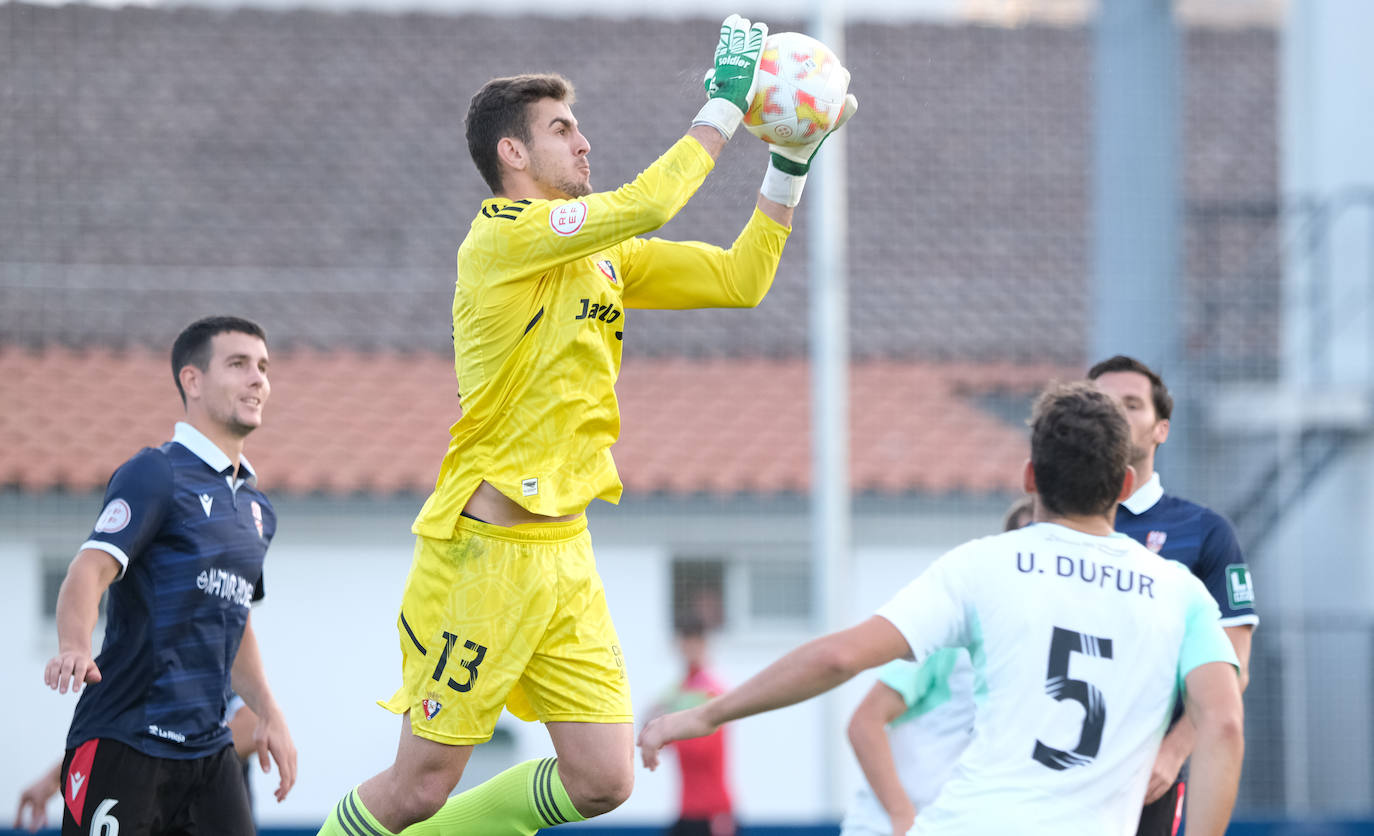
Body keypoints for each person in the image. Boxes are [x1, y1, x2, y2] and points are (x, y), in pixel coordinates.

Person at [316, 13, 857, 836]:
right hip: (484, 557)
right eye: (563, 129)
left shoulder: (598, 254)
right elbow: (650, 201)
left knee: (605, 780)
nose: (584, 143)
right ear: (513, 154)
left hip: (565, 553)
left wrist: (789, 160)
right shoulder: (500, 241)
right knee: (418, 786)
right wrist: (723, 102)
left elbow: (741, 279)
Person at [640, 382, 1245, 836]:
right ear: (1125, 486)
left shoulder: (983, 565)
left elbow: (838, 657)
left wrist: (707, 715)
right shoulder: (1178, 591)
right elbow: (1223, 725)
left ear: (1030, 476)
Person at [43, 315, 297, 836]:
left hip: (209, 753)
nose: (258, 379)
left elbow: (235, 616)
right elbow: (89, 569)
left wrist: (269, 711)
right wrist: (74, 644)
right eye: (239, 364)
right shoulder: (156, 473)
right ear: (193, 380)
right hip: (126, 739)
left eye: (264, 367)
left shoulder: (257, 509)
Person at [1087, 355, 1259, 836]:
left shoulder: (1204, 532)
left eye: (1131, 405)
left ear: (1161, 429)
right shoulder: (1052, 528)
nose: (1115, 415)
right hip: (1056, 770)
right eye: (1101, 404)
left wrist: (1173, 751)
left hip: (1148, 779)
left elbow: (1235, 664)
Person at [839, 497, 1035, 836]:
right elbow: (864, 723)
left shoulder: (1039, 650)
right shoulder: (958, 638)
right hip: (887, 827)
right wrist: (903, 816)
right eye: (1026, 536)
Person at [13, 699, 261, 832]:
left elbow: (251, 727)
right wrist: (53, 779)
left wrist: (162, 751)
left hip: (203, 816)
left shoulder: (211, 662)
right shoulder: (144, 672)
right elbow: (115, 742)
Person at [647, 616, 736, 836]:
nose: (689, 649)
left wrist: (665, 731)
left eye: (695, 643)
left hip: (712, 810)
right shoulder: (679, 690)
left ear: (705, 645)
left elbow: (701, 748)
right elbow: (650, 726)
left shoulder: (711, 690)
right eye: (685, 643)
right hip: (687, 809)